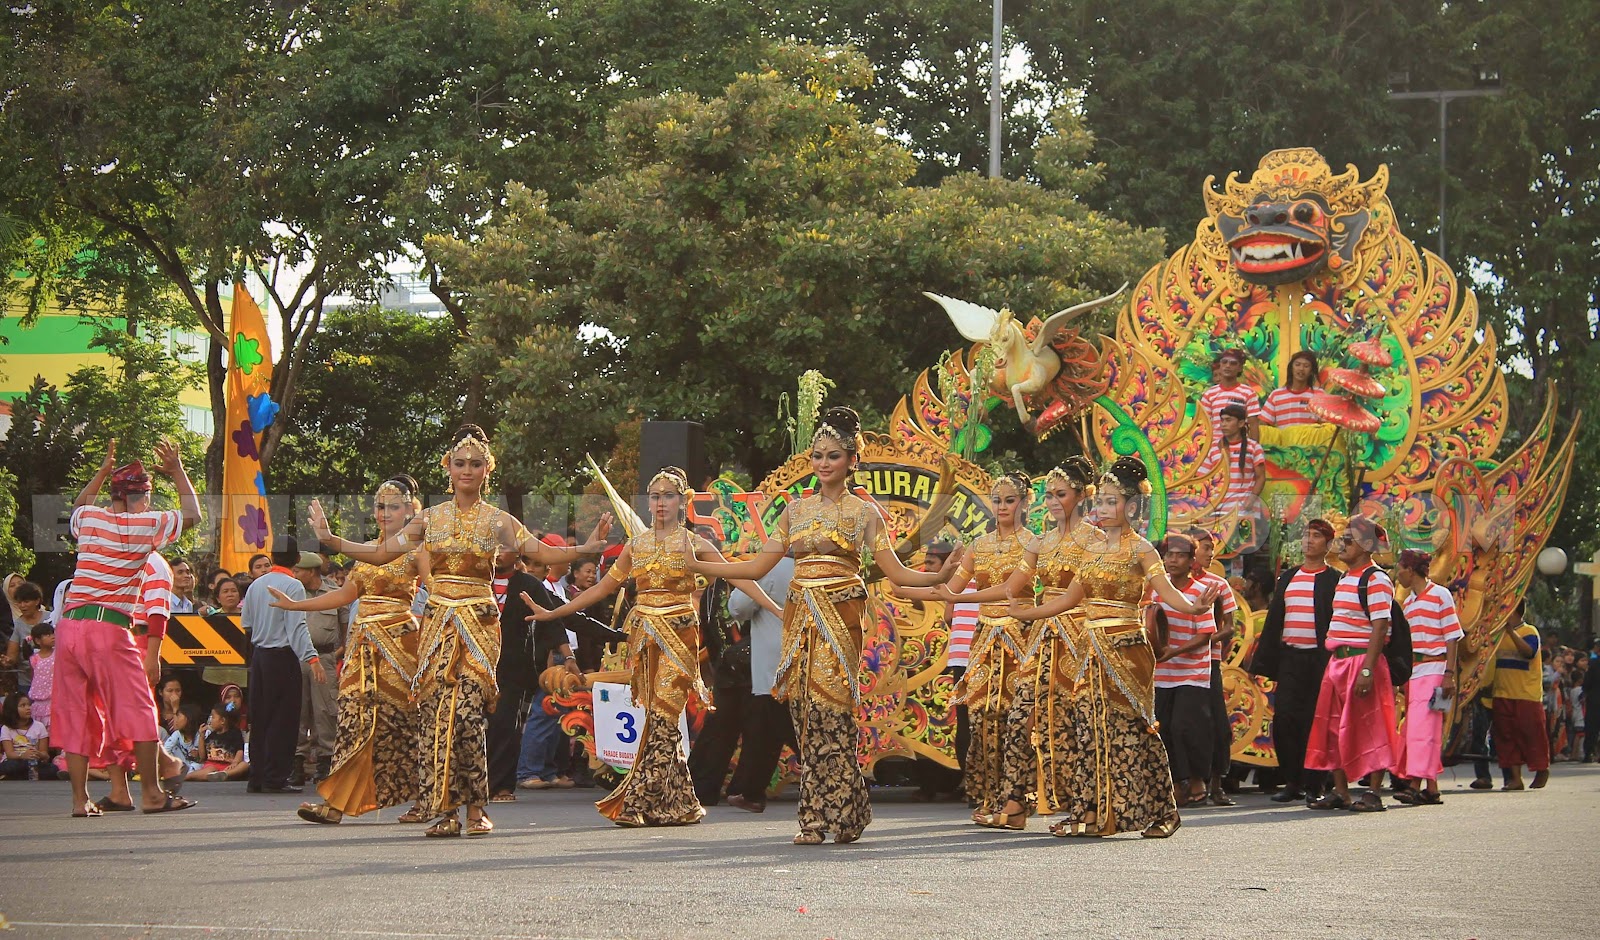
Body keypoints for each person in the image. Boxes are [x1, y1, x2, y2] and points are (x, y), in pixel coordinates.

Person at [309, 424, 613, 838]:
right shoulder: (430, 519)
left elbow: (541, 553)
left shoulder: (498, 520)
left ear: (487, 470)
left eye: (474, 464)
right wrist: (332, 540)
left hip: (478, 624)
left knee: (467, 715)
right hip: (437, 626)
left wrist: (587, 547)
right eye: (459, 463)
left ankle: (476, 808)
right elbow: (382, 552)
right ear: (447, 469)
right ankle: (447, 811)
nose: (466, 469)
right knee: (438, 716)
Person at [689, 406, 955, 845]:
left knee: (832, 715)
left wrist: (940, 577)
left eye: (833, 455)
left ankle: (842, 810)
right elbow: (758, 566)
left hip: (841, 616)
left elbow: (897, 573)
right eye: (817, 455)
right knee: (805, 717)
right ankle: (817, 817)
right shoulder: (794, 512)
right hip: (801, 619)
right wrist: (700, 562)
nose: (823, 463)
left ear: (851, 459)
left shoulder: (865, 514)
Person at [528, 466, 780, 827]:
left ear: (683, 502)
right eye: (656, 496)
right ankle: (679, 803)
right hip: (645, 641)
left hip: (679, 638)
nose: (661, 503)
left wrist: (775, 609)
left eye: (669, 495)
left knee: (663, 716)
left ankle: (641, 802)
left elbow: (737, 577)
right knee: (657, 719)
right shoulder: (636, 546)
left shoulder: (695, 545)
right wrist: (555, 613)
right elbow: (600, 590)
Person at [1009, 458, 1218, 839]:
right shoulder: (1090, 548)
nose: (1101, 510)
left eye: (1111, 502)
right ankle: (1092, 814)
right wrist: (1027, 612)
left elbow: (1168, 593)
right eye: (1099, 502)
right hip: (1089, 646)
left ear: (1133, 506)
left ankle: (1163, 813)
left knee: (1132, 729)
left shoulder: (1142, 550)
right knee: (1088, 729)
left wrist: (1194, 606)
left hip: (1126, 648)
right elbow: (1070, 599)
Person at [270, 475, 429, 824]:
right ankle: (336, 804)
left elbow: (437, 591)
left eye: (393, 506)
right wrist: (296, 605)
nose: (384, 512)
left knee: (402, 723)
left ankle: (426, 798)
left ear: (411, 511)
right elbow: (344, 595)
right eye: (380, 506)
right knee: (353, 722)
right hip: (363, 645)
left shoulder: (417, 551)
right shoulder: (366, 552)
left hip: (399, 644)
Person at [56, 439, 199, 817]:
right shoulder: (143, 527)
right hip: (109, 627)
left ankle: (79, 800)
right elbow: (193, 514)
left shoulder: (89, 520)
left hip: (70, 626)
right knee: (138, 708)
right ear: (135, 497)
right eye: (147, 496)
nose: (149, 504)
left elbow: (79, 505)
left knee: (77, 712)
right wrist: (178, 470)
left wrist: (102, 472)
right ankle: (152, 794)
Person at [898, 471, 1039, 830]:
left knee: (1017, 720)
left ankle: (1017, 800)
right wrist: (901, 587)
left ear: (1024, 503)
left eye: (1010, 500)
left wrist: (959, 597)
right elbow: (947, 589)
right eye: (997, 500)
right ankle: (993, 797)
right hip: (984, 640)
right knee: (983, 720)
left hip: (1020, 636)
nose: (1002, 506)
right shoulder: (979, 545)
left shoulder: (1034, 544)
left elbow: (1009, 589)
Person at [1304, 515, 1401, 813]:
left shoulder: (1376, 579)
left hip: (1362, 661)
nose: (1341, 545)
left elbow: (1380, 627)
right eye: (1342, 539)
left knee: (1372, 726)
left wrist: (1368, 669)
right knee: (1332, 727)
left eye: (1349, 540)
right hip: (1338, 662)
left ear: (1367, 545)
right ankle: (1341, 792)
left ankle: (1372, 793)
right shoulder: (1345, 578)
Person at [1250, 519, 1341, 803]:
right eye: (1307, 536)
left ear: (1328, 545)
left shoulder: (1335, 579)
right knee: (1285, 718)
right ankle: (1292, 781)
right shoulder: (1288, 577)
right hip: (1291, 658)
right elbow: (1274, 621)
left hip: (1320, 660)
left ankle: (1316, 783)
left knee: (1316, 721)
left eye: (1317, 537)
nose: (1309, 541)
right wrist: (1262, 663)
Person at [240, 536, 326, 794]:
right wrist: (313, 658)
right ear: (297, 559)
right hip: (282, 656)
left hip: (260, 656)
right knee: (284, 719)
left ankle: (256, 776)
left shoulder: (256, 585)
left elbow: (247, 623)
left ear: (272, 557)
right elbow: (297, 627)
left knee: (261, 718)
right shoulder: (293, 586)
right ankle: (275, 777)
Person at [720, 556, 796, 813]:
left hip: (775, 661)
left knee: (780, 722)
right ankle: (750, 792)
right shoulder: (819, 565)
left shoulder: (774, 566)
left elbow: (738, 607)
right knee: (766, 730)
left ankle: (749, 791)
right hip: (810, 658)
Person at [1150, 534, 1216, 807]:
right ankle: (1176, 784)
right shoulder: (1154, 591)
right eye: (1168, 554)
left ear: (1191, 561)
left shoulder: (1199, 591)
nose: (1172, 559)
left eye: (1180, 555)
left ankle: (1199, 779)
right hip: (1162, 675)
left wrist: (1171, 653)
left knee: (1185, 727)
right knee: (1163, 729)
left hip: (1192, 672)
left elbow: (1205, 636)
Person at [1393, 549, 1462, 805]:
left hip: (1435, 670)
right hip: (1416, 672)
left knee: (1421, 728)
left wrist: (1449, 674)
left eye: (1400, 568)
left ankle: (1414, 783)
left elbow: (1452, 636)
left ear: (1411, 570)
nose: (1397, 574)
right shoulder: (1408, 603)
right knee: (1423, 728)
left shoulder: (1440, 595)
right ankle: (1431, 788)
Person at [1188, 529, 1240, 805]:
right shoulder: (1167, 583)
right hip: (1175, 664)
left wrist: (1202, 642)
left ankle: (1217, 783)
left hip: (1208, 661)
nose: (1210, 553)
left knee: (1216, 721)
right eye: (1206, 547)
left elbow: (1228, 628)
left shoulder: (1218, 584)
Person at [291, 551, 346, 786]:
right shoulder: (293, 592)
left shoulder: (335, 593)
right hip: (297, 657)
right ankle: (298, 762)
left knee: (326, 710)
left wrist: (337, 656)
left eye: (298, 570)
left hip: (325, 656)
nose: (294, 574)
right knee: (298, 710)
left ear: (311, 571)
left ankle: (326, 760)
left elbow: (344, 630)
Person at [1489, 600, 1549, 790]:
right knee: (1506, 738)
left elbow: (1529, 652)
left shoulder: (1529, 631)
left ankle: (1541, 769)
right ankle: (1515, 779)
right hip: (1502, 692)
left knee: (1533, 735)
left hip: (1526, 694)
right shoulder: (1496, 634)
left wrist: (1510, 632)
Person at [1197, 348, 1261, 440]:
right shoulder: (1209, 394)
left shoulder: (1248, 393)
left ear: (1240, 368)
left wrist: (1254, 449)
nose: (1227, 366)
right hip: (1215, 447)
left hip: (1241, 447)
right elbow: (1203, 424)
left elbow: (1253, 424)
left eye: (1233, 363)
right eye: (1224, 362)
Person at [2, 576, 48, 695]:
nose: (22, 606)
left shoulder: (50, 619)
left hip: (51, 679)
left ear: (37, 601)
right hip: (27, 683)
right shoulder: (17, 625)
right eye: (19, 602)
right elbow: (12, 655)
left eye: (26, 602)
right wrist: (8, 661)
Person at [1, 692, 59, 779]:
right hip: (15, 761)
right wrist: (23, 756)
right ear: (12, 709)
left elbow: (45, 754)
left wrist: (38, 754)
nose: (28, 708)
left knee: (52, 769)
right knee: (10, 766)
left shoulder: (39, 726)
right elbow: (9, 754)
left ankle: (15, 776)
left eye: (29, 705)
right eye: (23, 706)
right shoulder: (6, 728)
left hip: (34, 762)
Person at [1261, 350, 1322, 428]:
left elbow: (1326, 424)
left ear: (1311, 371)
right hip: (1285, 439)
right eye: (1297, 365)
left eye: (1306, 366)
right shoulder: (1276, 395)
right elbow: (1264, 423)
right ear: (1291, 368)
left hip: (1311, 439)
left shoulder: (1319, 395)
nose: (1301, 369)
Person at [193, 702, 248, 781]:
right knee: (209, 770)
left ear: (222, 721)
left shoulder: (235, 733)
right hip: (212, 765)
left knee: (244, 765)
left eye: (213, 717)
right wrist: (201, 736)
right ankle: (187, 777)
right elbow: (202, 757)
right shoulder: (212, 735)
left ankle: (225, 775)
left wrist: (235, 762)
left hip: (228, 766)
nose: (210, 720)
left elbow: (239, 750)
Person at [163, 702, 207, 780]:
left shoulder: (202, 733)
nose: (175, 720)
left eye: (178, 716)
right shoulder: (177, 734)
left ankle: (185, 775)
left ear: (189, 718)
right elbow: (166, 750)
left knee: (197, 766)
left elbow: (202, 759)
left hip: (197, 765)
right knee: (172, 749)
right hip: (182, 765)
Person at [26, 623, 56, 732]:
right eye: (47, 635)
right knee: (40, 732)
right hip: (39, 702)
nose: (52, 636)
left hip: (55, 699)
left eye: (53, 633)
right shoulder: (34, 659)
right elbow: (33, 678)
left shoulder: (58, 654)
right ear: (38, 641)